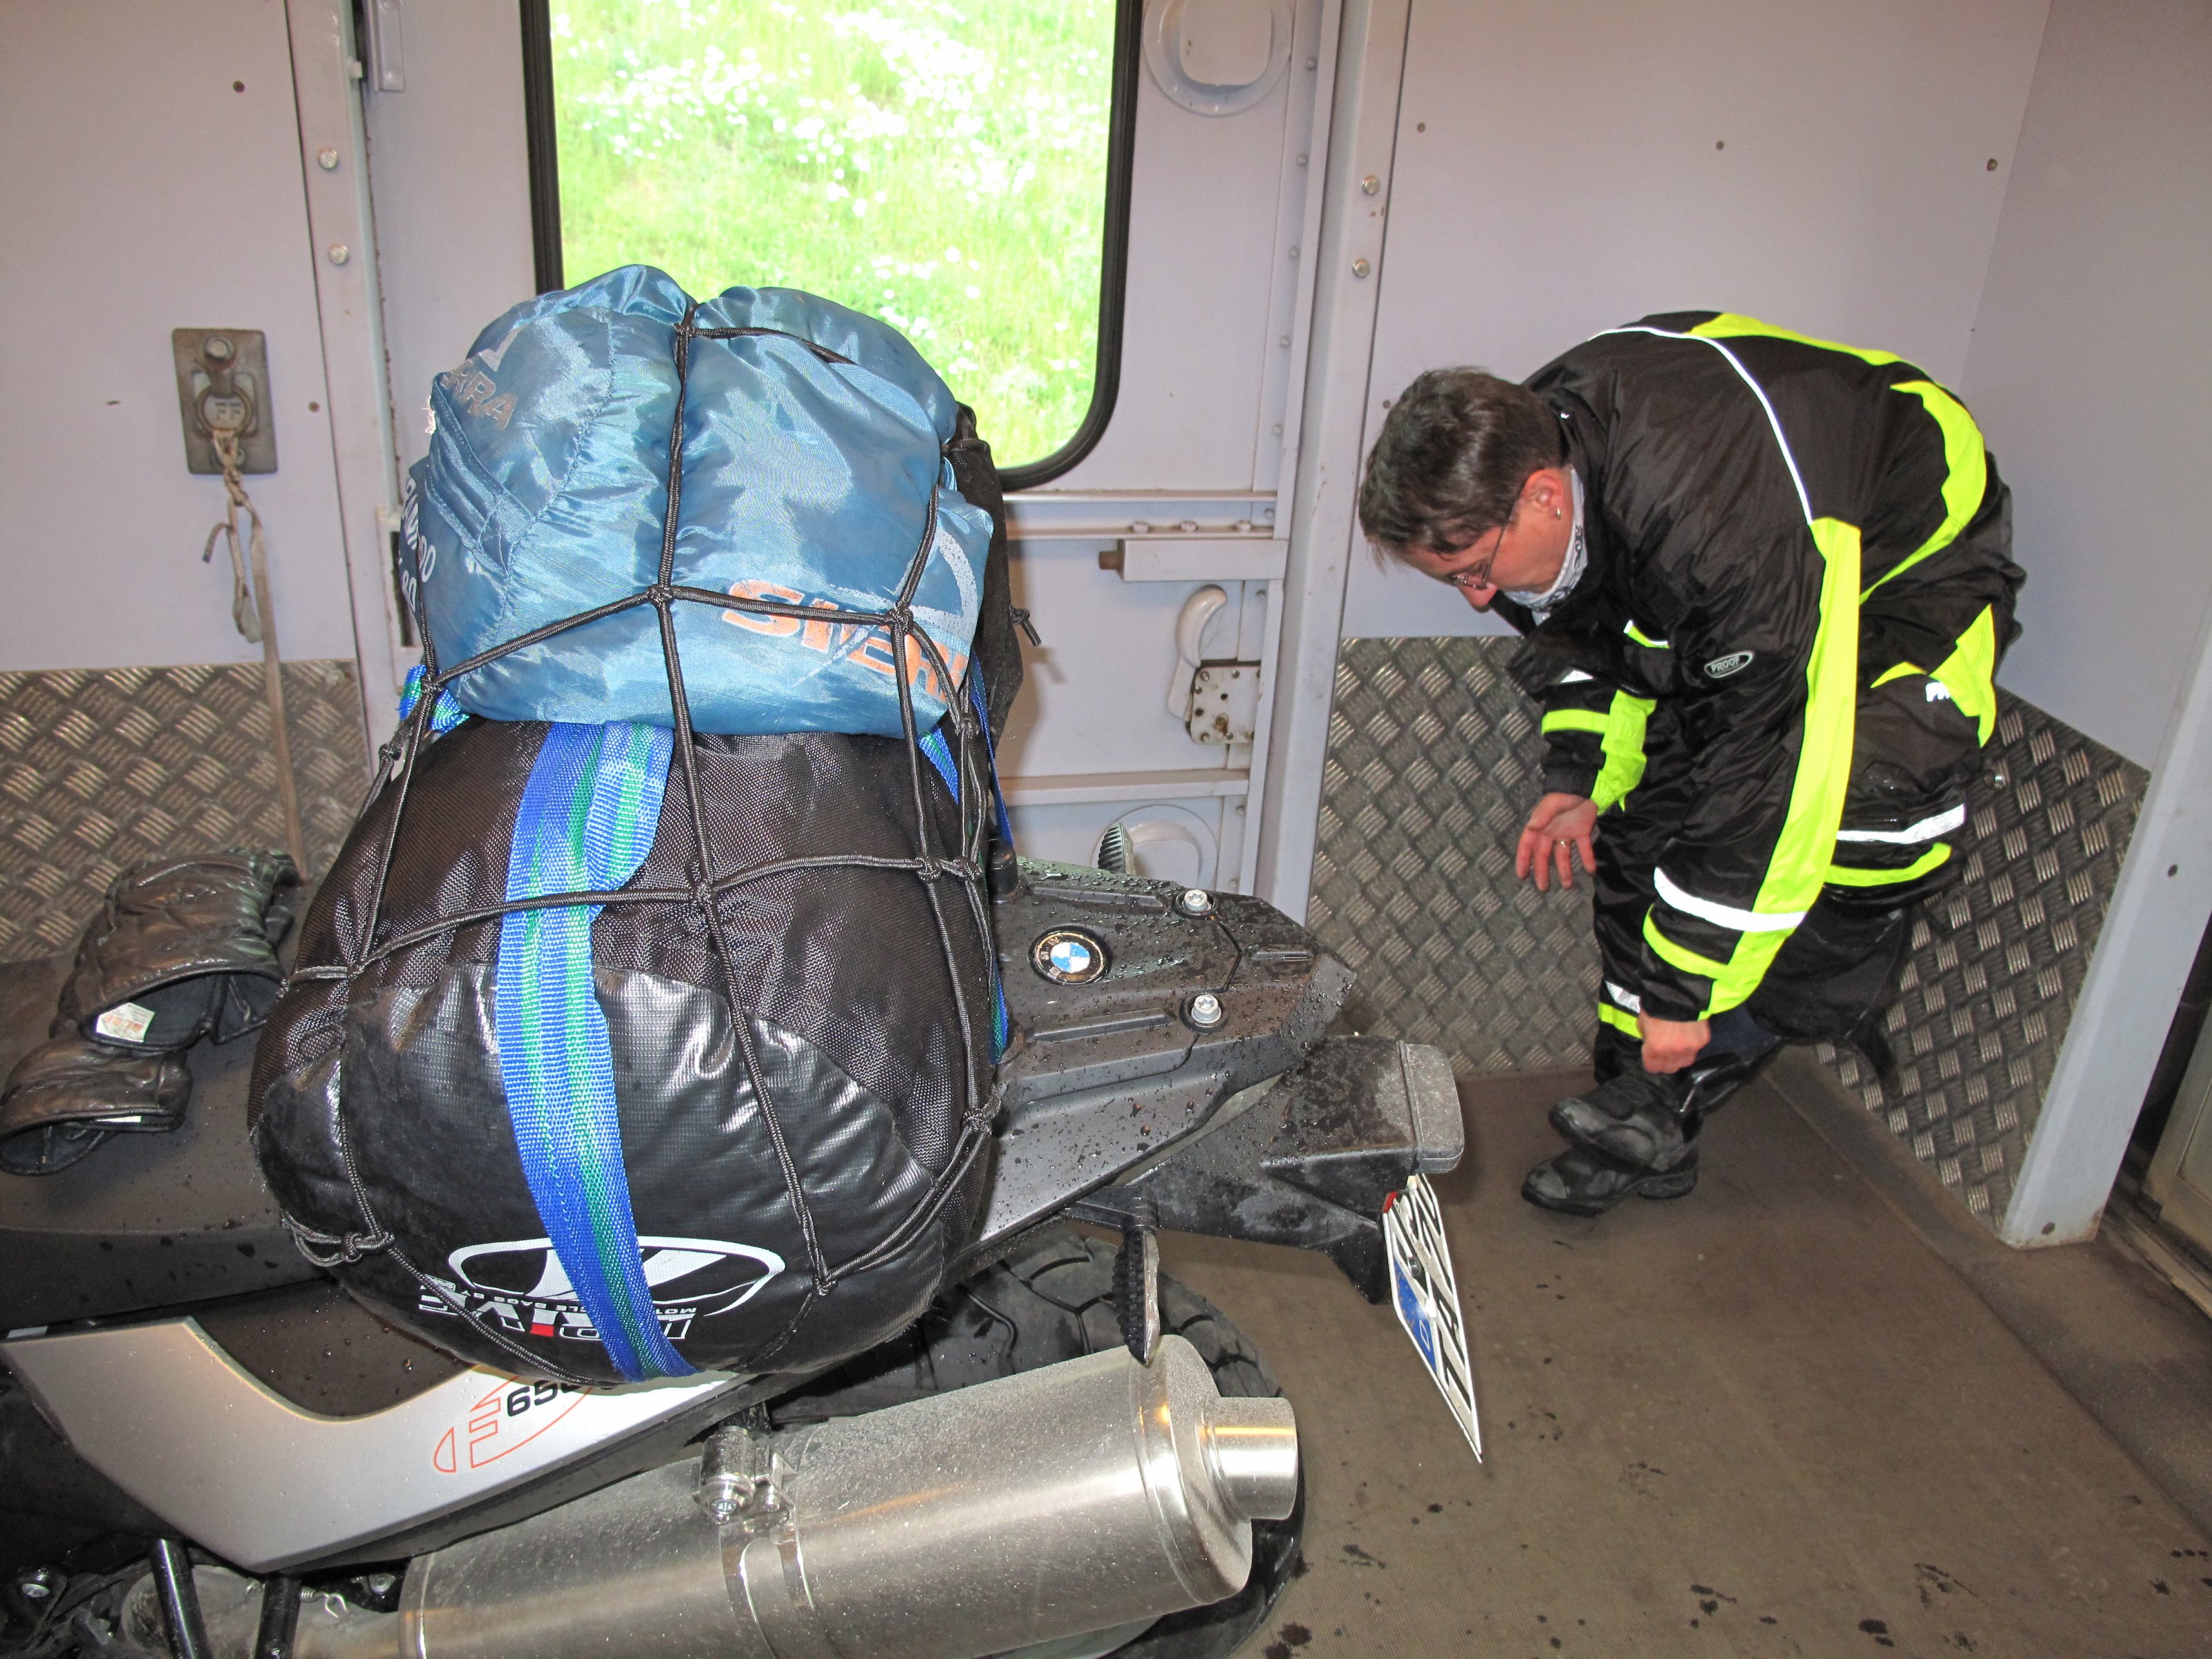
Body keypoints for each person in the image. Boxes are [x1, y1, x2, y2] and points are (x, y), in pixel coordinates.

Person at [1357, 312, 2023, 1216]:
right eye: (1453, 580)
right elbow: (1594, 632)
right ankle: (1636, 1112)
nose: (1477, 600)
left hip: (1900, 558)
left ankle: (1683, 1082)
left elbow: (1769, 770)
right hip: (1749, 562)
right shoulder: (1525, 456)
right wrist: (1580, 776)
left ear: (1547, 497)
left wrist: (1687, 988)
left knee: (1867, 812)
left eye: (1476, 571)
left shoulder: (1719, 534)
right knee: (1644, 835)